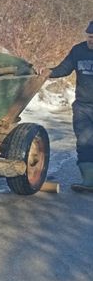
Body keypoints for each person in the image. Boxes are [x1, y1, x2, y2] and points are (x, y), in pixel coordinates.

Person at [48, 21, 93, 192]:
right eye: (90, 37)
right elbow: (65, 68)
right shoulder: (78, 50)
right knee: (84, 142)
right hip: (83, 106)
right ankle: (89, 181)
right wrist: (49, 72)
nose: (91, 40)